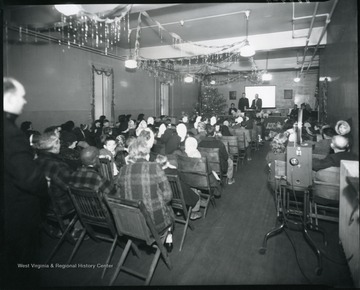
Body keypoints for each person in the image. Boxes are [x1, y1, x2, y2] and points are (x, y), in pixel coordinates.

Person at [3, 77, 47, 287]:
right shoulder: (11, 133)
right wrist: (44, 182)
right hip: (17, 215)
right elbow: (29, 178)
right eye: (21, 96)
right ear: (9, 98)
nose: (25, 101)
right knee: (24, 272)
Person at [114, 137, 175, 233]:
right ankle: (168, 237)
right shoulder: (155, 167)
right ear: (147, 152)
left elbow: (119, 195)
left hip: (131, 223)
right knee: (170, 210)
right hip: (154, 223)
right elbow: (168, 196)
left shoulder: (123, 169)